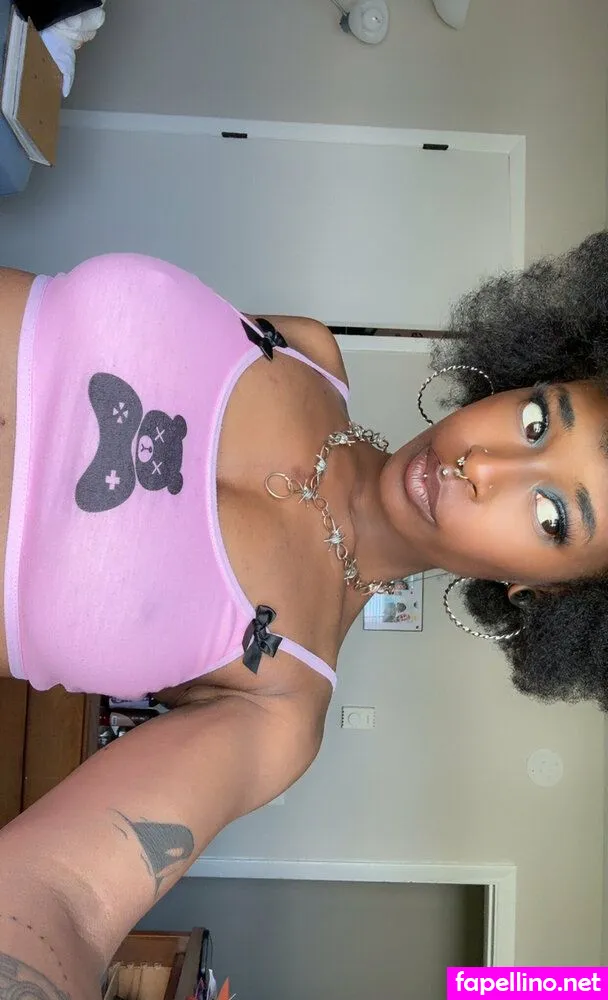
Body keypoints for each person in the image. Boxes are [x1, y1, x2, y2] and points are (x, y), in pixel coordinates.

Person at [1, 232, 608, 996]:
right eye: (538, 423)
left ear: (540, 592)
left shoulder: (279, 706)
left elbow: (61, 896)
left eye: (551, 515)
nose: (483, 466)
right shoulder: (306, 349)